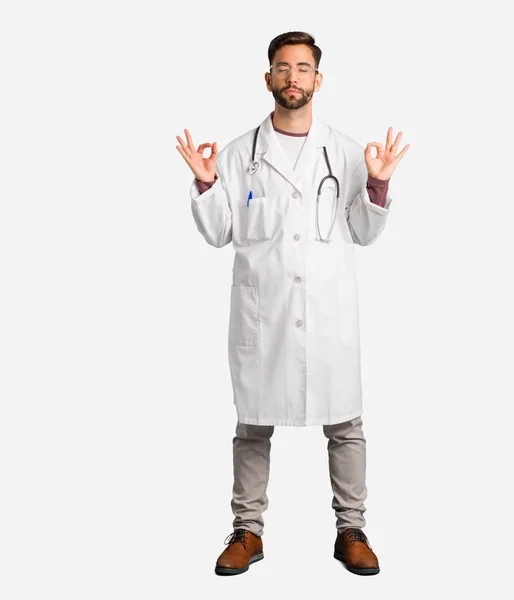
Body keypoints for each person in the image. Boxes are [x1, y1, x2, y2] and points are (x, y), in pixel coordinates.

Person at [176, 31, 409, 577]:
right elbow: (217, 233)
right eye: (283, 68)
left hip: (329, 315)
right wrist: (207, 184)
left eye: (303, 69)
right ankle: (247, 531)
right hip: (266, 314)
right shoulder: (238, 155)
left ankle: (351, 528)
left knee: (346, 423)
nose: (292, 78)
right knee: (252, 425)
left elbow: (364, 231)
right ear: (268, 79)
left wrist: (376, 185)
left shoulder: (349, 152)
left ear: (317, 80)